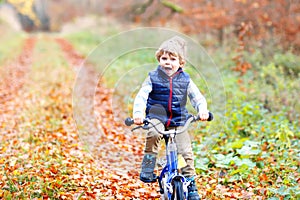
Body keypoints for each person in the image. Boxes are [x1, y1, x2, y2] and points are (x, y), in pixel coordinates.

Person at [132, 36, 209, 200]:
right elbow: (141, 96)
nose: (167, 62)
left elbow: (197, 98)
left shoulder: (186, 80)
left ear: (181, 63)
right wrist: (138, 114)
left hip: (178, 121)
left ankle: (191, 183)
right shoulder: (152, 78)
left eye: (172, 59)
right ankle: (148, 166)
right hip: (156, 118)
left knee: (185, 152)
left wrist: (203, 110)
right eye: (164, 58)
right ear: (159, 59)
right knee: (153, 134)